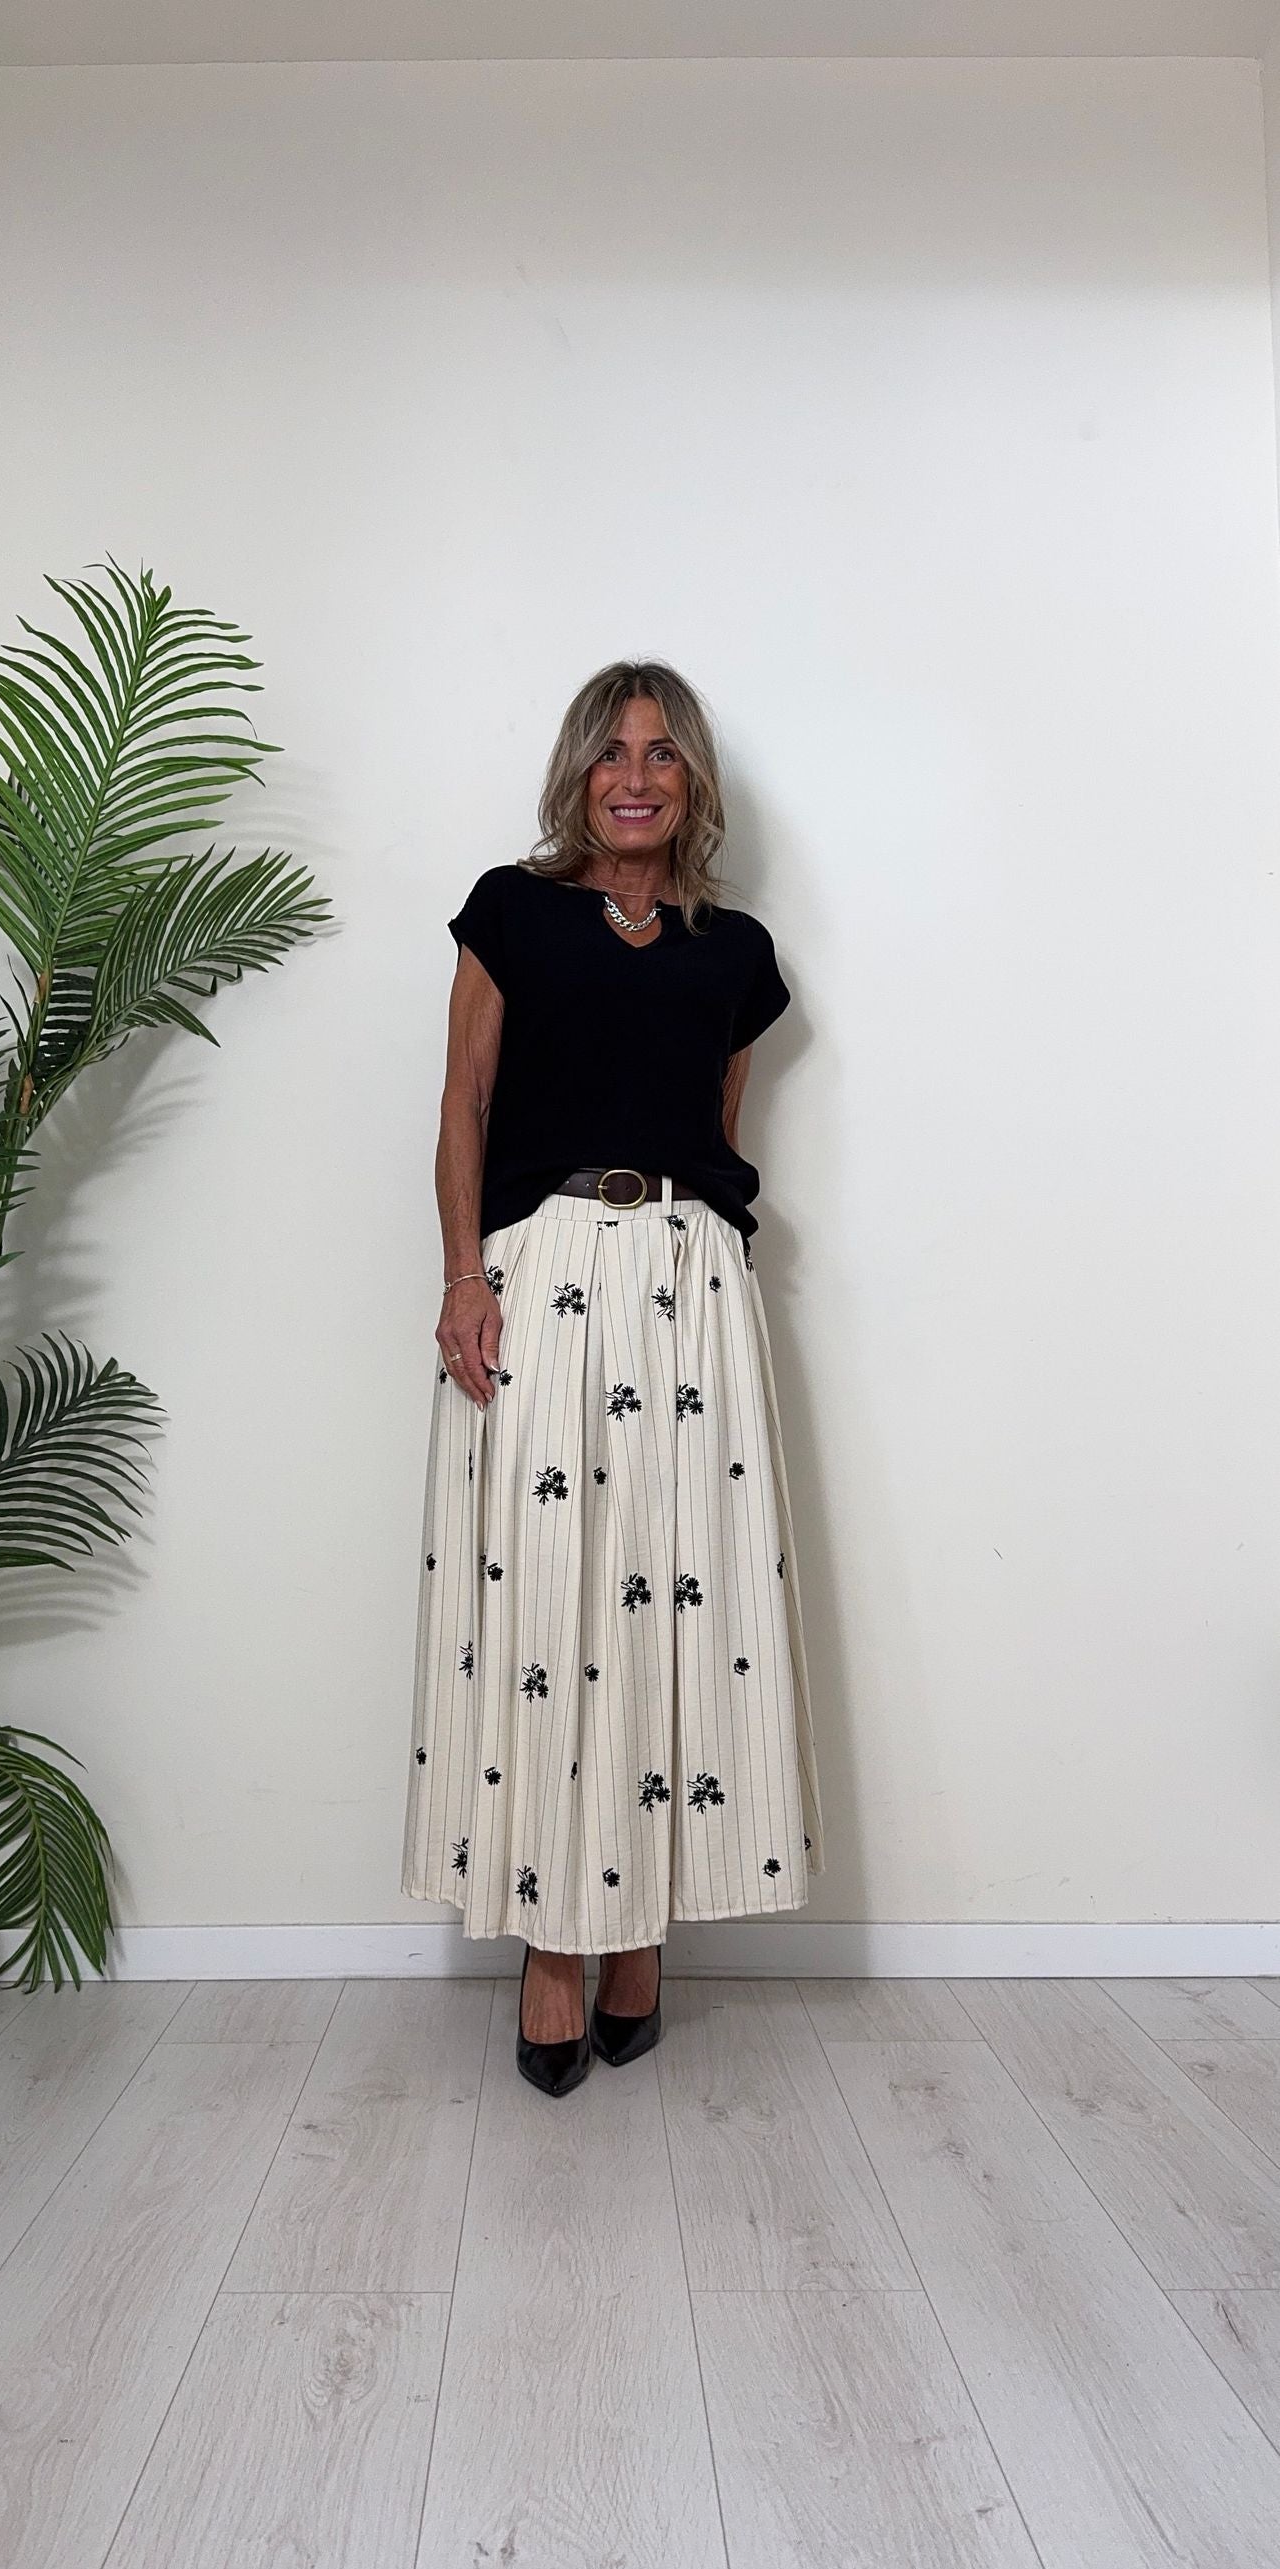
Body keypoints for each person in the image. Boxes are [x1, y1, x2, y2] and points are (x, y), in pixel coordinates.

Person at [400, 660, 825, 2094]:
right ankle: (553, 1943)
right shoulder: (510, 913)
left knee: (674, 1596)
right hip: (542, 1268)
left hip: (691, 1286)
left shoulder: (735, 952)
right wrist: (464, 1275)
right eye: (610, 752)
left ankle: (639, 1926)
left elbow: (715, 1130)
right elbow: (462, 1104)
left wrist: (699, 1265)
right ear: (578, 774)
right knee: (546, 1597)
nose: (635, 776)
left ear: (692, 783)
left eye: (662, 754)